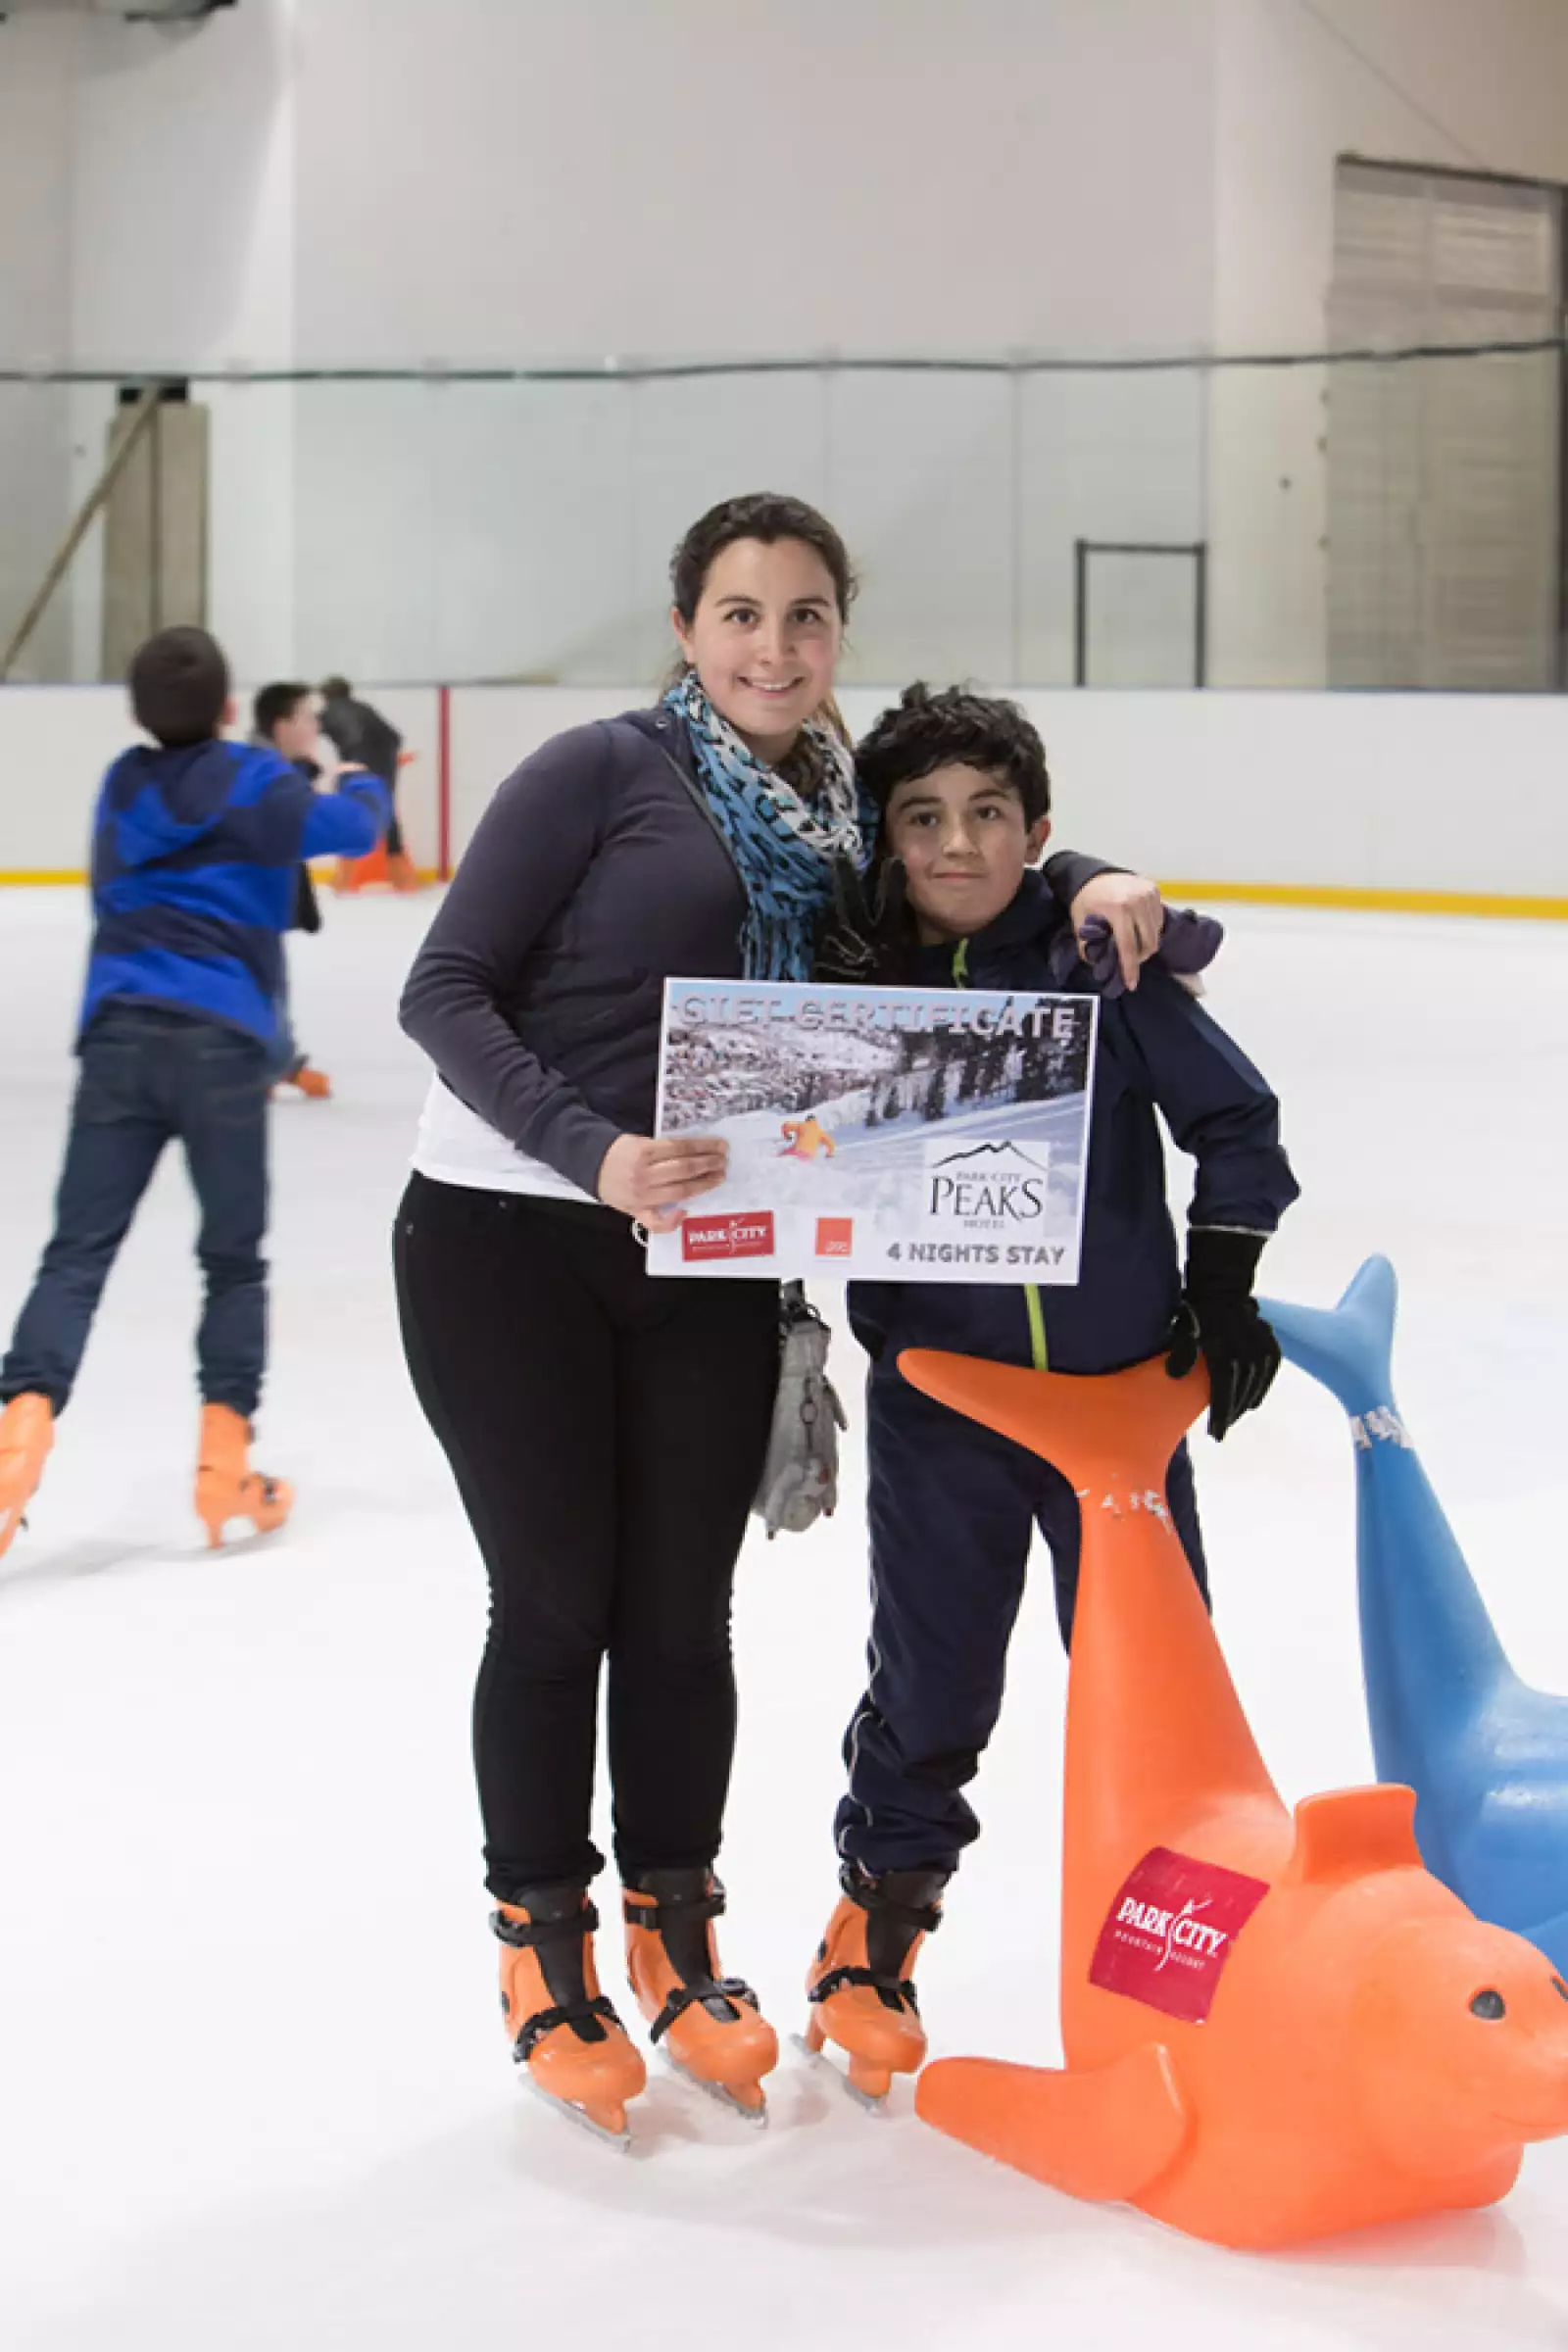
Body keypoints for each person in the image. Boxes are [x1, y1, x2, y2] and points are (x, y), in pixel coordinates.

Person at [393, 491, 1173, 2145]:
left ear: (838, 638)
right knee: (557, 1605)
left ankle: (679, 1939)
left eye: (806, 616)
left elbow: (975, 875)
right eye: (741, 613)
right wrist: (589, 1151)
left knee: (683, 1613)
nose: (774, 644)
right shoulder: (597, 774)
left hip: (720, 1256)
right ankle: (546, 1948)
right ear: (687, 628)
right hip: (510, 1235)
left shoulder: (842, 816)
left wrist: (1095, 869)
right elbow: (440, 987)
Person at [801, 685, 1299, 2105]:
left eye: (991, 816)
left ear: (1040, 830)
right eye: (923, 819)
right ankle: (875, 1933)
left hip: (1117, 1412)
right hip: (944, 1408)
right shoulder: (852, 985)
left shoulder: (1105, 970)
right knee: (934, 1682)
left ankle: (1201, 1964)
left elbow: (1237, 1123)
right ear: (886, 840)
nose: (959, 845)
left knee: (1165, 1703)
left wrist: (1222, 1284)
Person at [0, 627, 389, 1564]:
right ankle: (224, 1460)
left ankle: (13, 1448)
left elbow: (106, 889)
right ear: (226, 710)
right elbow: (358, 830)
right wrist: (352, 769)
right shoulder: (257, 785)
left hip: (120, 1036)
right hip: (222, 1042)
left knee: (76, 1255)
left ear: (138, 713)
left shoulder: (122, 784)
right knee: (232, 1261)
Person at [252, 681, 333, 1102]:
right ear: (282, 725)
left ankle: (271, 1061)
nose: (316, 725)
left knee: (268, 981)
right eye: (307, 717)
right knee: (264, 982)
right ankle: (272, 1063)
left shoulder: (275, 767)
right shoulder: (262, 772)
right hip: (249, 904)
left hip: (263, 901)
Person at [318, 675, 419, 891]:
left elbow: (308, 730)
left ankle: (342, 883)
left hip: (357, 765)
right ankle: (405, 883)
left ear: (325, 696)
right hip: (384, 766)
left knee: (350, 818)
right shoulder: (365, 709)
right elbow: (395, 737)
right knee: (389, 819)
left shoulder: (329, 712)